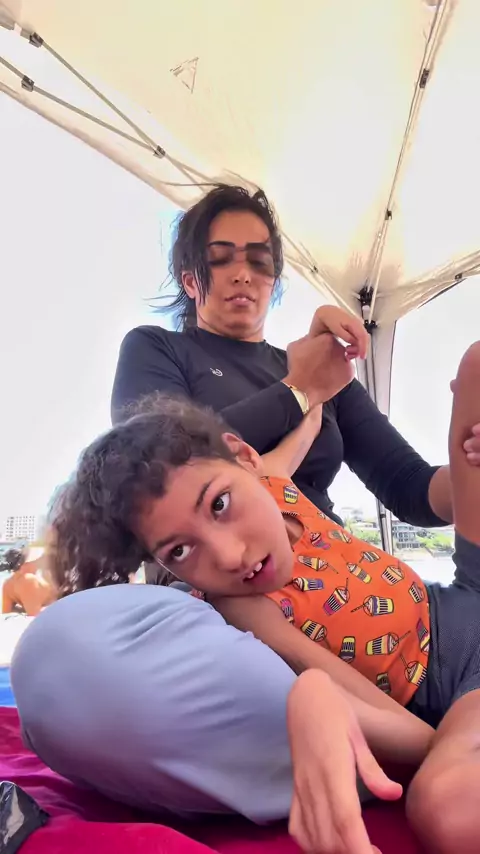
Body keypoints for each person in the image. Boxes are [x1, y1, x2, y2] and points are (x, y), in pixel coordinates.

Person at [37, 339, 480, 854]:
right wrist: (449, 749)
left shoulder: (273, 481)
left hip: (466, 586)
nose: (229, 556)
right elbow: (391, 721)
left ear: (246, 458)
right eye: (179, 550)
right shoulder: (239, 605)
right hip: (458, 678)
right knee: (448, 808)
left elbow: (311, 415)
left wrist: (321, 367)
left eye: (219, 504)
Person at [111, 184, 480, 581]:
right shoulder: (156, 348)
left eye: (259, 262)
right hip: (221, 587)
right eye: (220, 259)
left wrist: (471, 464)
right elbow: (157, 463)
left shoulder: (321, 368)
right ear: (189, 281)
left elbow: (410, 487)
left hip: (336, 576)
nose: (243, 275)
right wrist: (300, 391)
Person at [1, 545, 54, 617]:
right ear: (26, 563)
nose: (37, 566)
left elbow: (6, 615)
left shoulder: (7, 584)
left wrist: (22, 610)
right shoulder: (29, 580)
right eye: (35, 561)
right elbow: (34, 617)